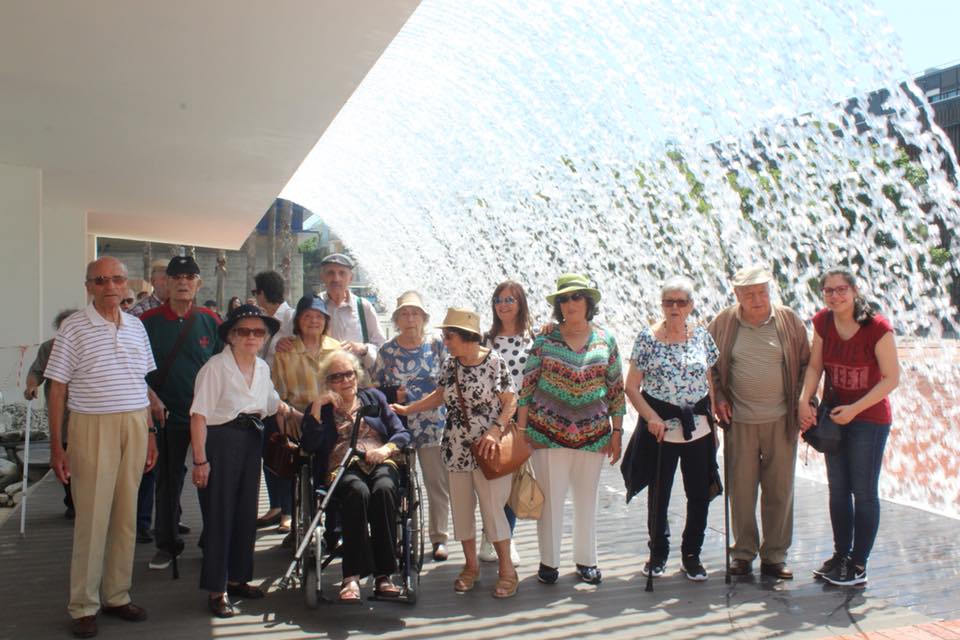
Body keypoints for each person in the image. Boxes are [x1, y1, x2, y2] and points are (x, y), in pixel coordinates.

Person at [44, 257, 158, 639]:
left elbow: (141, 381)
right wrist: (57, 445)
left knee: (126, 515)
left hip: (134, 422)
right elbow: (58, 387)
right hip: (91, 424)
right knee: (92, 518)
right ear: (89, 286)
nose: (110, 286)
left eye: (117, 279)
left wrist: (150, 435)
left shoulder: (137, 327)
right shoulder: (73, 328)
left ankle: (116, 594)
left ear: (126, 285)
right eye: (101, 280)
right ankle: (83, 605)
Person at [393, 308, 519, 598]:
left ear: (468, 338)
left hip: (488, 449)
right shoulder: (451, 364)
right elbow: (440, 395)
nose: (445, 341)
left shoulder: (494, 362)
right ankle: (470, 567)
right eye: (444, 336)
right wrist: (409, 409)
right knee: (462, 511)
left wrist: (495, 430)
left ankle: (507, 571)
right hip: (455, 448)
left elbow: (510, 402)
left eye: (449, 336)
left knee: (492, 510)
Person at [517, 273, 624, 586]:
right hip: (547, 434)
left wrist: (617, 432)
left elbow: (616, 389)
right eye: (564, 298)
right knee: (549, 501)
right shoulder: (545, 339)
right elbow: (527, 386)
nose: (570, 303)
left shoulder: (607, 340)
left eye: (576, 297)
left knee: (586, 500)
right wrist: (522, 430)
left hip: (593, 436)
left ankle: (586, 561)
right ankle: (549, 562)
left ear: (589, 303)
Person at [707, 265, 810, 579]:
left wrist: (806, 401)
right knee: (741, 490)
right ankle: (742, 553)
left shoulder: (788, 320)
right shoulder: (723, 323)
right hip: (739, 422)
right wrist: (719, 395)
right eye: (748, 293)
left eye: (762, 291)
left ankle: (775, 555)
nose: (757, 299)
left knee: (780, 489)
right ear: (737, 295)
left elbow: (807, 364)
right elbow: (709, 366)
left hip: (781, 419)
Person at [798, 267, 899, 587]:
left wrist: (855, 409)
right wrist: (805, 398)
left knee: (864, 492)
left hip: (868, 420)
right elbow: (815, 365)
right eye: (829, 291)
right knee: (838, 490)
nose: (835, 296)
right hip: (835, 416)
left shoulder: (877, 328)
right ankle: (841, 554)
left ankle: (858, 563)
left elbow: (892, 378)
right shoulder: (823, 322)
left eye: (841, 290)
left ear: (855, 291)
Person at [189, 304, 290, 618]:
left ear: (264, 338)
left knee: (246, 513)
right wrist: (200, 460)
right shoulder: (215, 368)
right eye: (244, 331)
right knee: (220, 515)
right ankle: (217, 589)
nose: (251, 336)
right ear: (231, 336)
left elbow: (273, 403)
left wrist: (306, 411)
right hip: (220, 442)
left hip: (251, 441)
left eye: (258, 332)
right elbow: (199, 417)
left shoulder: (261, 368)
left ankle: (237, 578)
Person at [625, 276, 719, 581]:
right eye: (669, 302)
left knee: (698, 493)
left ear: (690, 306)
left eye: (681, 302)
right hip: (660, 428)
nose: (675, 307)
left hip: (698, 427)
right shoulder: (647, 339)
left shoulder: (702, 336)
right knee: (659, 494)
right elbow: (631, 386)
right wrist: (650, 417)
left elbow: (710, 381)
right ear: (662, 306)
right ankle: (658, 553)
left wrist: (715, 417)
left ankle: (692, 555)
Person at [301, 351, 411, 602]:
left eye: (349, 373)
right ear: (327, 382)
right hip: (341, 466)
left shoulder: (375, 397)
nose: (345, 380)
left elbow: (401, 433)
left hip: (380, 459)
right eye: (337, 376)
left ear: (357, 375)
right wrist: (317, 407)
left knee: (383, 489)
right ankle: (351, 576)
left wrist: (385, 449)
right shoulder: (321, 408)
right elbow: (309, 445)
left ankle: (384, 575)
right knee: (357, 492)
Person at [140, 256, 222, 571]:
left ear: (198, 283)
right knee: (167, 481)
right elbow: (140, 370)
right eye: (177, 277)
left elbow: (221, 367)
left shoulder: (210, 321)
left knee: (210, 479)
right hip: (166, 416)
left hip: (206, 417)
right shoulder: (148, 322)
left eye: (190, 276)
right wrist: (151, 402)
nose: (183, 282)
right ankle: (167, 543)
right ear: (165, 282)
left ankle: (211, 539)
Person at [373, 291, 451, 562]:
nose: (410, 318)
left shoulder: (437, 345)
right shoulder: (387, 351)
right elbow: (377, 390)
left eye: (415, 313)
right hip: (400, 427)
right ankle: (398, 536)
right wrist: (397, 395)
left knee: (436, 484)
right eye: (404, 313)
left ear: (424, 318)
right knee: (399, 483)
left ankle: (439, 538)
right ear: (396, 319)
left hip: (433, 426)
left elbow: (448, 382)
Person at [269, 295, 342, 535]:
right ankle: (297, 522)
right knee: (298, 466)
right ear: (298, 321)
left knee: (333, 466)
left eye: (319, 317)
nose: (313, 321)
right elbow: (276, 391)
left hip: (329, 420)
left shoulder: (335, 348)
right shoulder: (285, 350)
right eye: (307, 316)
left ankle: (334, 525)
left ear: (326, 321)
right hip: (297, 420)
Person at [478, 280, 534, 565]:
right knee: (491, 480)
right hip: (490, 421)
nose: (503, 304)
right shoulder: (484, 340)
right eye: (498, 299)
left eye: (509, 299)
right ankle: (490, 535)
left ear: (520, 303)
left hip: (521, 420)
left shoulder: (533, 339)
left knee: (512, 481)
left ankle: (506, 539)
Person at [251, 270, 296, 531]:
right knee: (268, 452)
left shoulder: (290, 318)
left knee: (284, 451)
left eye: (257, 292)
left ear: (263, 293)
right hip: (261, 396)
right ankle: (276, 505)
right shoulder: (259, 320)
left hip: (285, 397)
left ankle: (288, 510)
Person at [24, 308, 79, 519]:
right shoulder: (49, 348)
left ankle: (82, 500)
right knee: (65, 457)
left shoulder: (90, 345)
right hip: (63, 415)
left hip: (87, 413)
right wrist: (31, 387)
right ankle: (72, 501)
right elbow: (35, 371)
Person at [316, 253, 385, 369]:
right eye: (330, 273)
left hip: (358, 380)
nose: (336, 278)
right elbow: (295, 337)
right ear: (322, 277)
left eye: (342, 273)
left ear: (350, 278)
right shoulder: (315, 304)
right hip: (322, 381)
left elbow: (381, 345)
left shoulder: (363, 307)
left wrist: (363, 349)